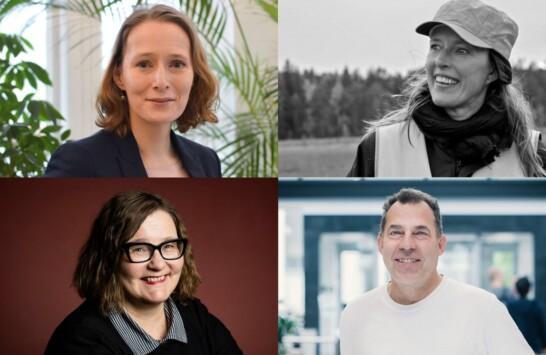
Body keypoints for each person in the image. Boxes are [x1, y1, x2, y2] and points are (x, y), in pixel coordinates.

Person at [348, 0, 546, 177]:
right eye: (435, 46)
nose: (440, 61)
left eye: (461, 51)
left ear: (493, 71)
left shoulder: (532, 154)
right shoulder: (379, 149)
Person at [339, 188, 533, 355]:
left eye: (420, 233)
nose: (407, 245)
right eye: (396, 232)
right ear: (380, 244)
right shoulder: (355, 315)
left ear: (440, 245)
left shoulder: (484, 309)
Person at [44, 191, 242, 354]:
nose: (158, 263)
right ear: (108, 257)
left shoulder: (193, 314)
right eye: (139, 249)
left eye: (169, 245)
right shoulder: (79, 340)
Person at [45, 5, 221, 177]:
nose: (161, 82)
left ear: (194, 75)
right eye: (144, 64)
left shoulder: (207, 161)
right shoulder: (77, 162)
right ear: (119, 76)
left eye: (176, 64)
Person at [507, 277, 546, 354]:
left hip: (516, 347)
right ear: (529, 289)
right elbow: (542, 327)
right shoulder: (536, 306)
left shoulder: (510, 306)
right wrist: (544, 345)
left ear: (516, 290)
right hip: (534, 347)